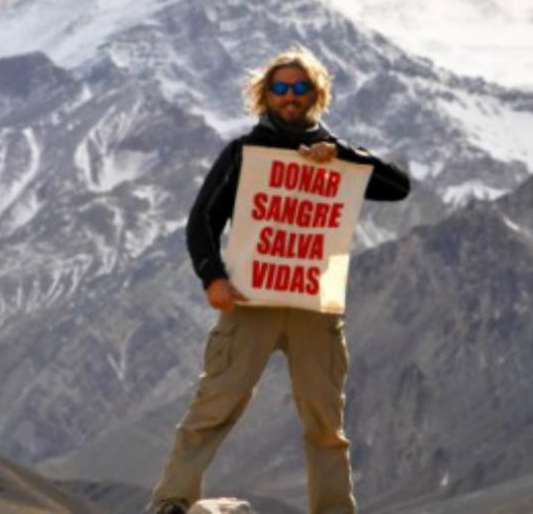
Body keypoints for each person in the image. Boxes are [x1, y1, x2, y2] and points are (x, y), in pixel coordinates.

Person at [149, 43, 411, 514]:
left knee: (325, 419)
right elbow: (202, 220)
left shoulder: (336, 156)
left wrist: (343, 156)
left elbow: (398, 187)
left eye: (300, 87)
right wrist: (212, 277)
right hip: (250, 300)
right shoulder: (244, 153)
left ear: (317, 93)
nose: (290, 95)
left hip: (313, 306)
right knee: (214, 406)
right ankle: (172, 501)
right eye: (280, 87)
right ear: (265, 95)